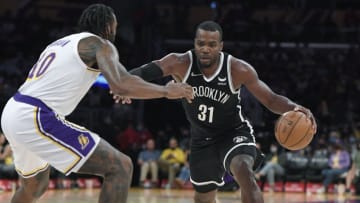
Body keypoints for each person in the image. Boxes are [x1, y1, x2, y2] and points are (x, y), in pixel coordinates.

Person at [0, 4, 193, 203]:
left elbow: (123, 80)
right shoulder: (101, 44)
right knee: (120, 166)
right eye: (116, 26)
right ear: (109, 26)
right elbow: (121, 85)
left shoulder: (61, 43)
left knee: (34, 186)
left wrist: (127, 86)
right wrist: (166, 91)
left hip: (13, 111)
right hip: (35, 116)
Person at [115, 21, 317, 203]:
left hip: (233, 132)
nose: (205, 49)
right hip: (202, 139)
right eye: (201, 43)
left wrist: (294, 107)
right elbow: (141, 73)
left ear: (220, 47)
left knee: (244, 172)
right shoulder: (179, 62)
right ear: (195, 43)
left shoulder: (238, 69)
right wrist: (124, 86)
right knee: (203, 198)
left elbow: (271, 99)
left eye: (211, 45)